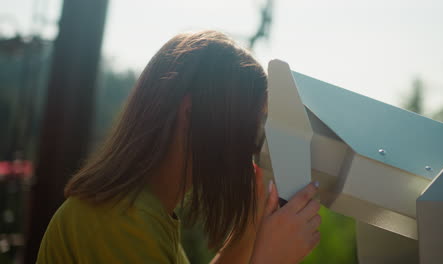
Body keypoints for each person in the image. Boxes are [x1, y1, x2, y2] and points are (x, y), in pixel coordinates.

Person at [36, 30, 321, 264]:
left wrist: (250, 228)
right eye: (247, 126)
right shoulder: (116, 223)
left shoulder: (143, 216)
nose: (253, 145)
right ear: (191, 113)